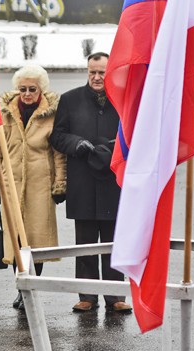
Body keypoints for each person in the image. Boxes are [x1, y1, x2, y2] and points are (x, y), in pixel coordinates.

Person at [49, 52, 132, 314]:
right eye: (92, 72)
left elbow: (134, 135)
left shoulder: (123, 100)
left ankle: (115, 295)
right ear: (87, 72)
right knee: (85, 242)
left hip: (113, 182)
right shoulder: (70, 99)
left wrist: (116, 147)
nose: (97, 77)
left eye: (102, 73)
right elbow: (57, 137)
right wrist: (78, 144)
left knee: (112, 241)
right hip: (82, 182)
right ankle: (87, 295)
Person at [0, 65, 66, 311]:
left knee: (35, 240)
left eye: (32, 89)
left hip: (41, 186)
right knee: (15, 241)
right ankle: (21, 288)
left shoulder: (51, 114)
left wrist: (60, 183)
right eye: (22, 89)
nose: (27, 94)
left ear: (41, 89)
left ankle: (33, 286)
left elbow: (58, 154)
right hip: (11, 185)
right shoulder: (6, 113)